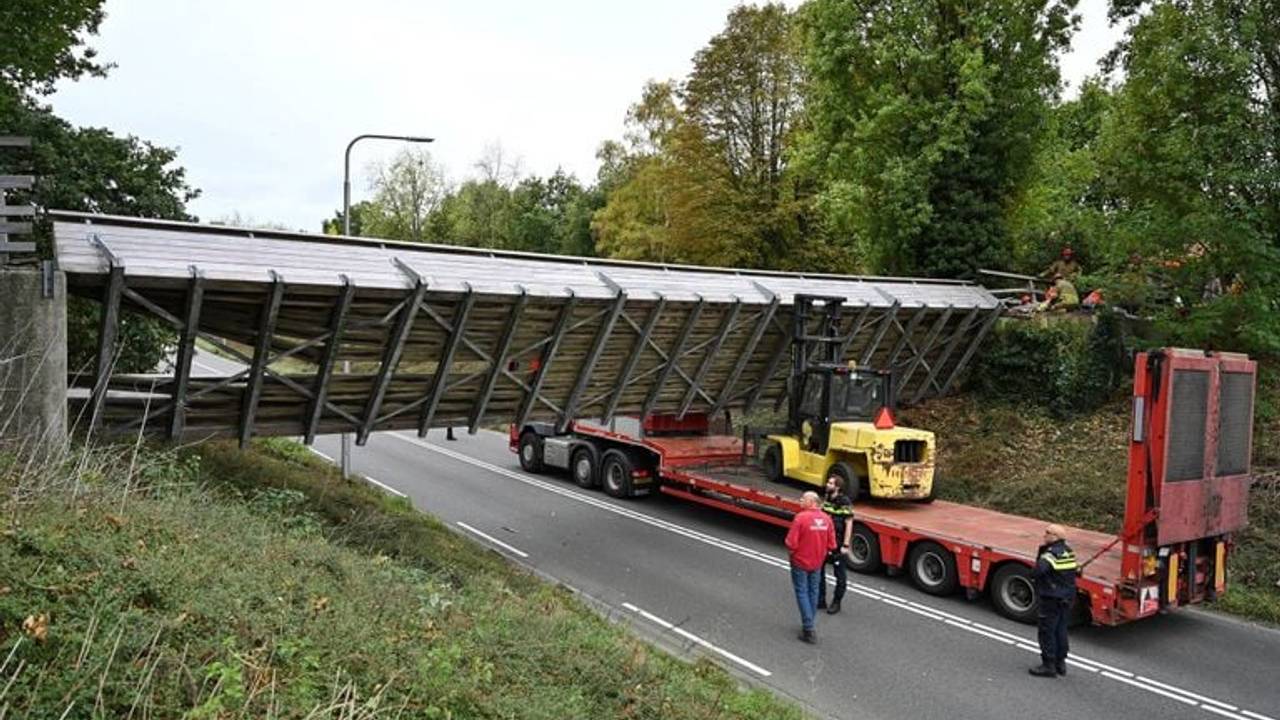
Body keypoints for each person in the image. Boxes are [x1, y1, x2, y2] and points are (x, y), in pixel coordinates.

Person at [786, 491, 836, 643]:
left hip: (800, 561)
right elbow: (832, 544)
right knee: (813, 591)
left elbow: (791, 542)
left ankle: (808, 628)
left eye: (803, 499)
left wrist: (792, 553)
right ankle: (809, 622)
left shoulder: (800, 518)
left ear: (812, 502)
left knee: (802, 591)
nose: (800, 500)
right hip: (817, 562)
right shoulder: (827, 519)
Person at [1029, 524, 1079, 678]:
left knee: (1047, 631)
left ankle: (1048, 666)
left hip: (1051, 598)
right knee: (1060, 630)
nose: (1044, 535)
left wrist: (1033, 574)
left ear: (1055, 537)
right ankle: (1060, 664)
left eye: (1047, 533)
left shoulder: (1051, 554)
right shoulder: (1069, 551)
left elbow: (1038, 571)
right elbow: (1075, 571)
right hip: (1067, 597)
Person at [817, 474, 854, 615]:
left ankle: (836, 602)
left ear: (837, 487)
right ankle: (821, 599)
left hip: (838, 543)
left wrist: (846, 545)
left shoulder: (844, 501)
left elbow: (849, 523)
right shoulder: (827, 498)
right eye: (828, 482)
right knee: (819, 571)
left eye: (831, 483)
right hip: (825, 542)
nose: (827, 484)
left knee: (840, 575)